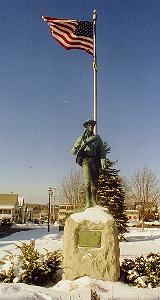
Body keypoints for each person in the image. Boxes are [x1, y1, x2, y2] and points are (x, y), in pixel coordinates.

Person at [71, 119, 106, 208]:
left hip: (95, 161)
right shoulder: (82, 138)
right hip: (85, 161)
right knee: (87, 182)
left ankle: (94, 200)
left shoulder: (97, 139)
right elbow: (73, 151)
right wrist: (77, 145)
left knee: (94, 182)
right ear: (86, 127)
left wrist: (103, 160)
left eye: (92, 126)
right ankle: (88, 201)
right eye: (89, 125)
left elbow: (102, 151)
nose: (91, 127)